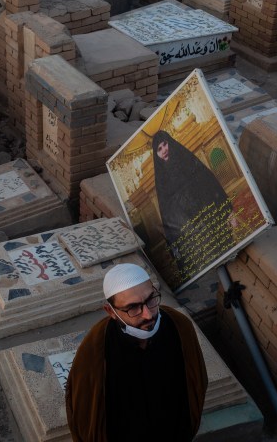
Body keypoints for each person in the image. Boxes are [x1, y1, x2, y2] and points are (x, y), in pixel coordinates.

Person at [65, 263, 208, 442]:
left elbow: (196, 383)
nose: (148, 315)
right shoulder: (95, 348)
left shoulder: (179, 327)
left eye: (151, 300)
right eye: (133, 308)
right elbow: (85, 414)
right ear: (110, 311)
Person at [151, 130, 232, 260]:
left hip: (211, 215)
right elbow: (166, 213)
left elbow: (210, 182)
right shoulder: (161, 180)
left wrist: (228, 211)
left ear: (170, 142)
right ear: (156, 154)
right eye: (159, 149)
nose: (164, 150)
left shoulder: (187, 159)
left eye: (165, 144)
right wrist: (174, 242)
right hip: (192, 230)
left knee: (228, 250)